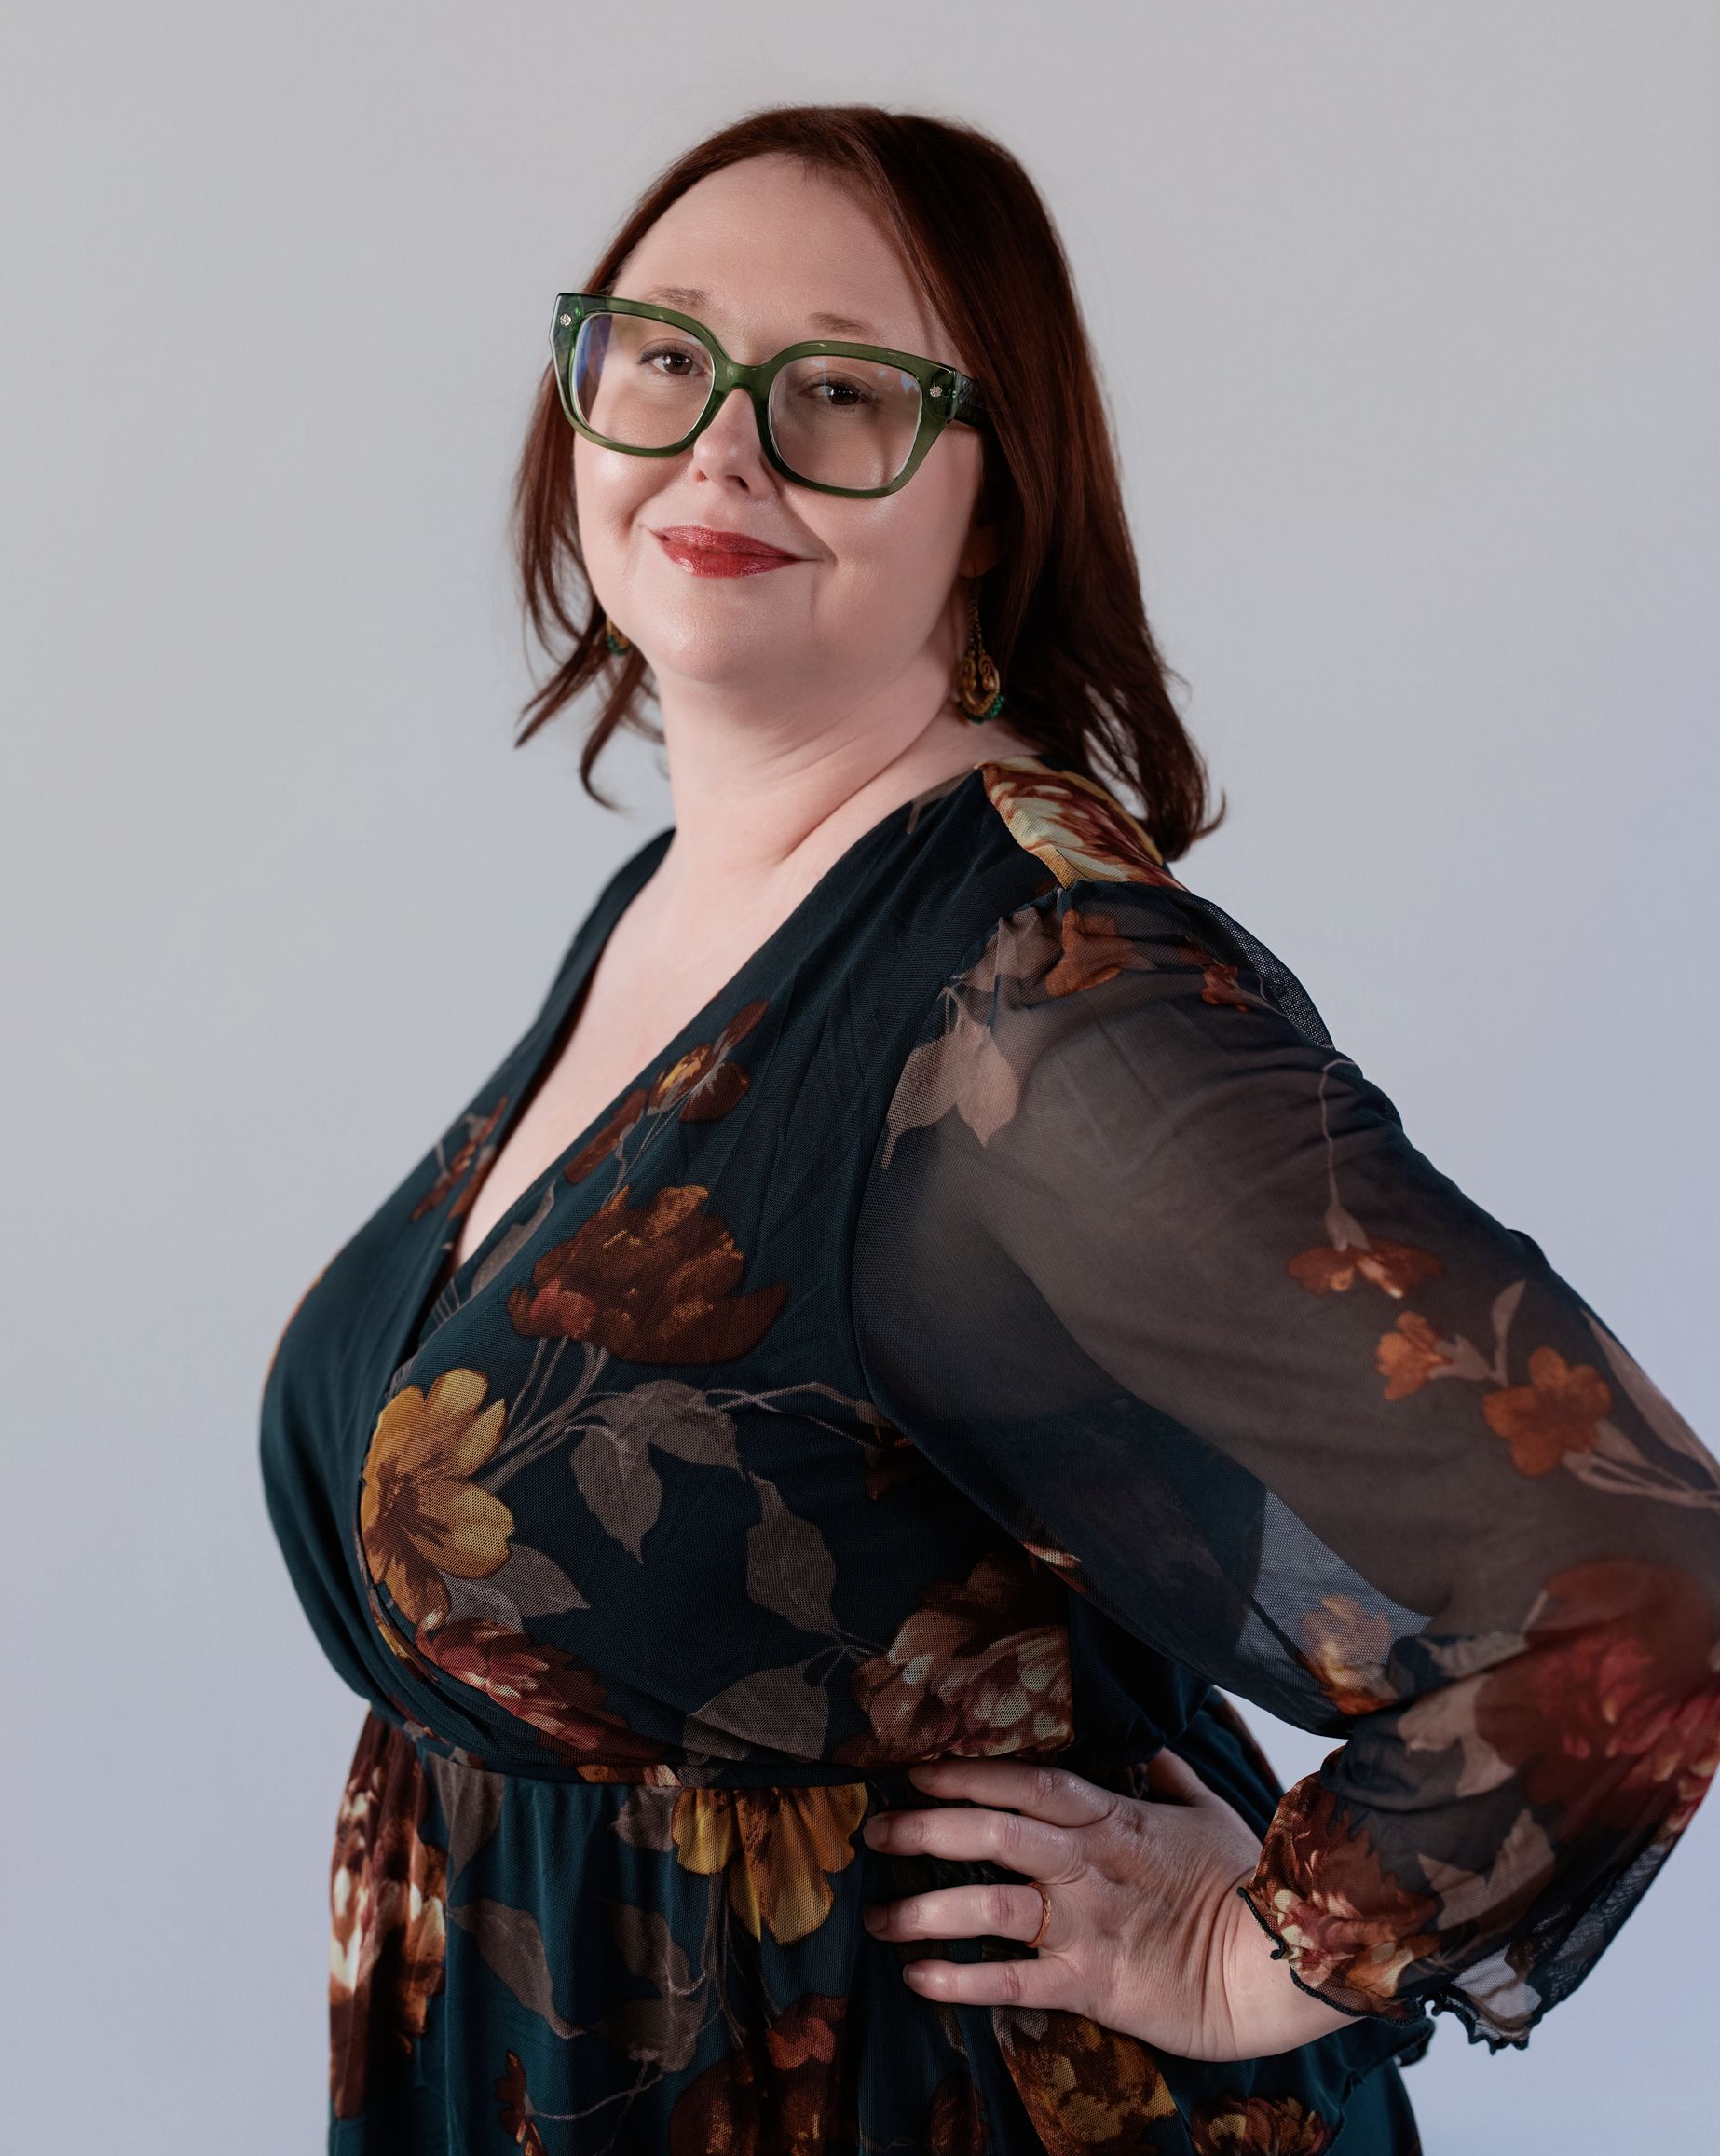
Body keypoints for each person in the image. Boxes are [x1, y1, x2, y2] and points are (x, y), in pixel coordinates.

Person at [258, 103, 1720, 2155]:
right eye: (665, 353)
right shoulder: (709, 893)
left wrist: (1252, 1951)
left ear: (994, 508)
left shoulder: (1034, 992)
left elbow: (1637, 1578)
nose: (723, 443)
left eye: (840, 389)